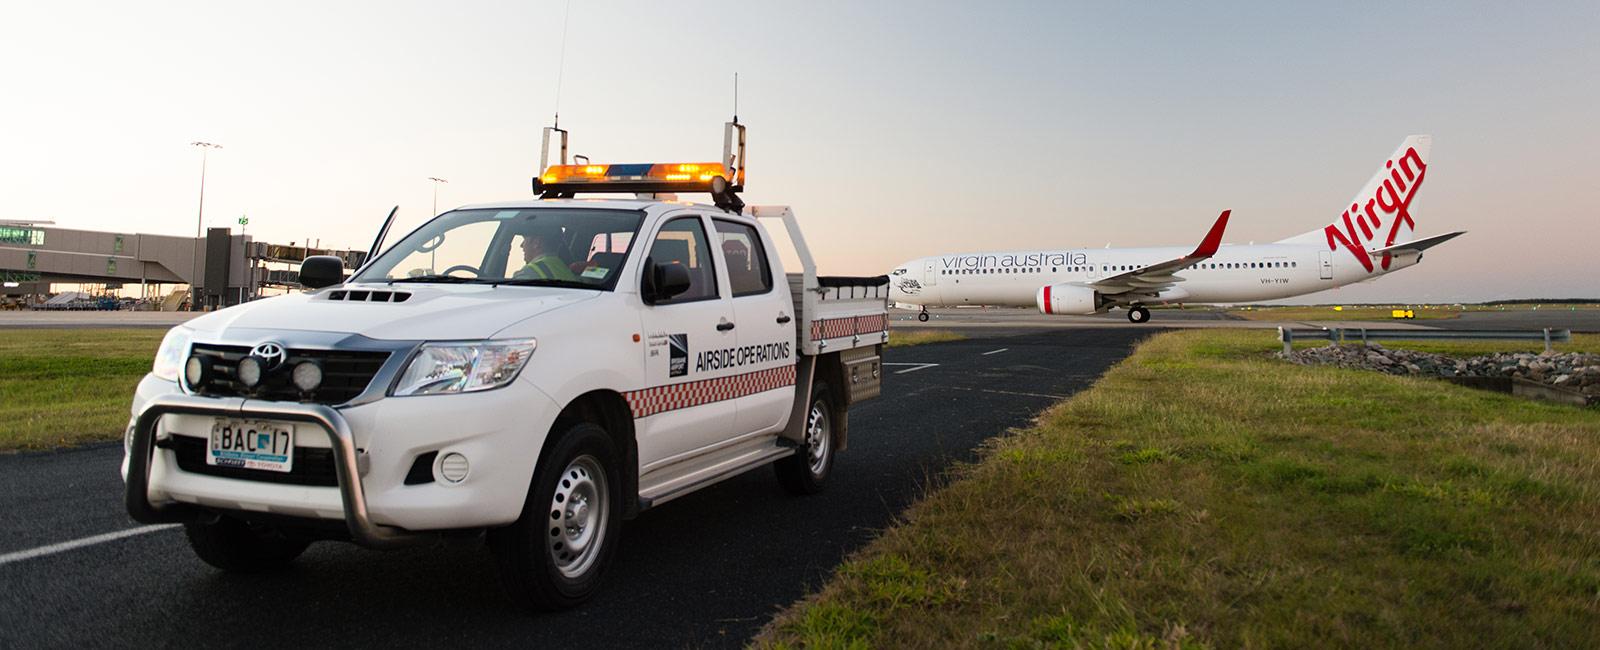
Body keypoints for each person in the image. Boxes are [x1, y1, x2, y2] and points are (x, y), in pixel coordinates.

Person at [513, 224, 579, 282]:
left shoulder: (528, 274)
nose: (521, 245)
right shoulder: (564, 270)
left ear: (536, 243)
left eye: (525, 240)